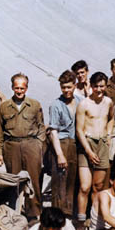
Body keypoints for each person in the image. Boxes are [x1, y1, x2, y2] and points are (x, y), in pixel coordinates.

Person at [0, 73, 46, 220]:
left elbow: (41, 127)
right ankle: (13, 213)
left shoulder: (35, 105)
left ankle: (34, 213)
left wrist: (38, 145)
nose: (19, 91)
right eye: (16, 88)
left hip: (31, 145)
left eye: (22, 88)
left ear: (26, 88)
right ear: (12, 87)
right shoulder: (4, 106)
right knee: (13, 180)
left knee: (33, 180)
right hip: (11, 146)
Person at [76, 72, 114, 223]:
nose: (99, 89)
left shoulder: (108, 102)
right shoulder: (84, 104)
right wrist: (88, 151)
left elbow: (111, 119)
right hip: (87, 144)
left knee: (98, 186)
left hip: (102, 143)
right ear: (91, 86)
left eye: (102, 86)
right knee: (85, 186)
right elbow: (79, 130)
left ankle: (94, 221)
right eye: (96, 86)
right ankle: (80, 220)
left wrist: (109, 135)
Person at [48, 70, 78, 218]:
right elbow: (53, 131)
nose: (66, 90)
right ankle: (57, 216)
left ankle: (70, 216)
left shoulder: (80, 102)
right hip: (61, 144)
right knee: (60, 182)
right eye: (63, 87)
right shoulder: (56, 105)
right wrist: (59, 155)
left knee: (72, 182)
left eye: (69, 87)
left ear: (75, 86)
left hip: (75, 145)